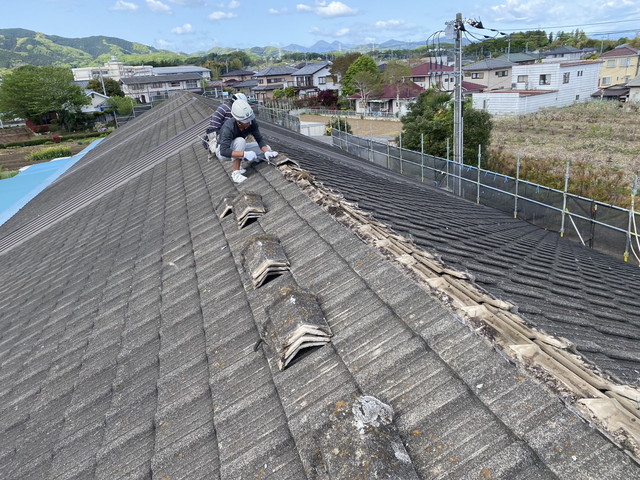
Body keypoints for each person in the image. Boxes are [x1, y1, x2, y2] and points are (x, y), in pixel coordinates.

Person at [216, 99, 278, 183]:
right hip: (223, 151)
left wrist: (266, 151)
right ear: (239, 121)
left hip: (239, 148)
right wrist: (244, 154)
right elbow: (223, 151)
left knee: (268, 148)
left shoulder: (252, 122)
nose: (249, 123)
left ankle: (253, 158)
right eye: (246, 121)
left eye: (250, 119)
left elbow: (259, 139)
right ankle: (236, 173)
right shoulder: (229, 127)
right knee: (240, 141)